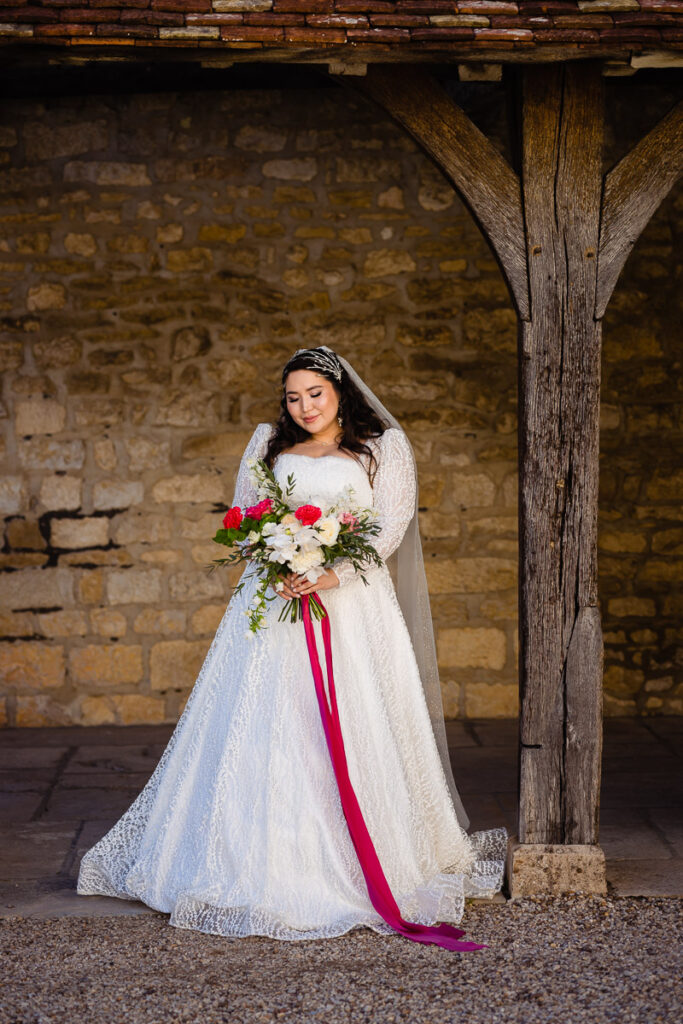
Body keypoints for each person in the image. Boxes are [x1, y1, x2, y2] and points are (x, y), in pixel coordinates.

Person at [77, 345, 506, 945]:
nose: (304, 406)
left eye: (315, 394)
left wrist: (332, 573)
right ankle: (266, 856)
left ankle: (371, 852)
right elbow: (246, 514)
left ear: (340, 393)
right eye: (293, 396)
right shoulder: (269, 448)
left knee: (355, 718)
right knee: (272, 720)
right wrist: (275, 556)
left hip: (352, 605)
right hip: (277, 601)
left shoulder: (382, 449)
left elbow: (390, 522)